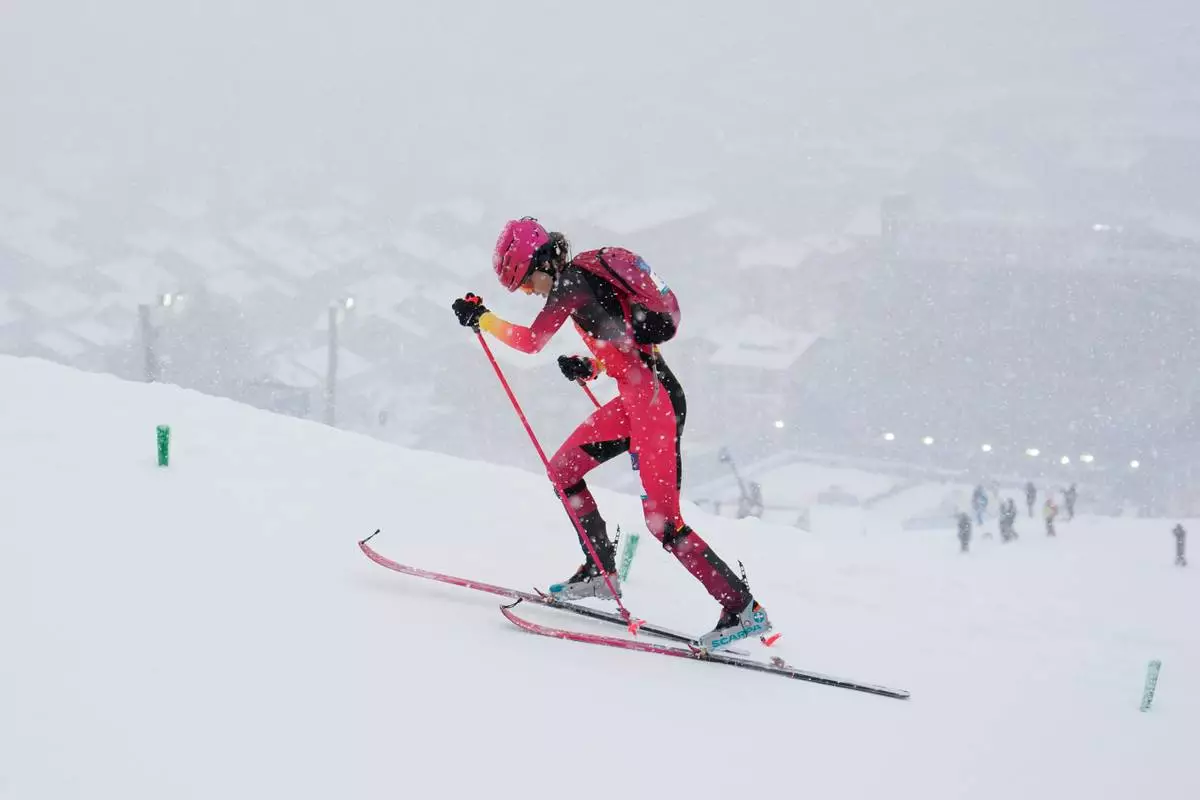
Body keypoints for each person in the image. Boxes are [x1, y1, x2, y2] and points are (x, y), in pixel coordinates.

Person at [451, 218, 770, 648]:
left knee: (665, 525)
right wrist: (592, 366)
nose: (528, 292)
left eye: (526, 282)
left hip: (655, 407)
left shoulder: (571, 283)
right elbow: (624, 342)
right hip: (636, 403)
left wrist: (483, 318)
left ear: (542, 263)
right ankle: (600, 572)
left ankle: (744, 609)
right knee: (563, 470)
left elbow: (530, 342)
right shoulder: (583, 279)